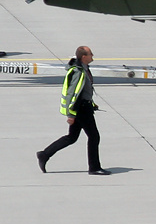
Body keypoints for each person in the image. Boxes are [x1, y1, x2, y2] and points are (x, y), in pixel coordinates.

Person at [37, 46, 110, 175]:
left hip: (84, 106)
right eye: (90, 54)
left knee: (71, 137)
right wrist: (71, 114)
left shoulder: (84, 68)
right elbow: (73, 93)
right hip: (80, 109)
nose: (92, 55)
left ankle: (44, 154)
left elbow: (84, 90)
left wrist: (91, 103)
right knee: (94, 137)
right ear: (84, 57)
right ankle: (94, 168)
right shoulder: (78, 72)